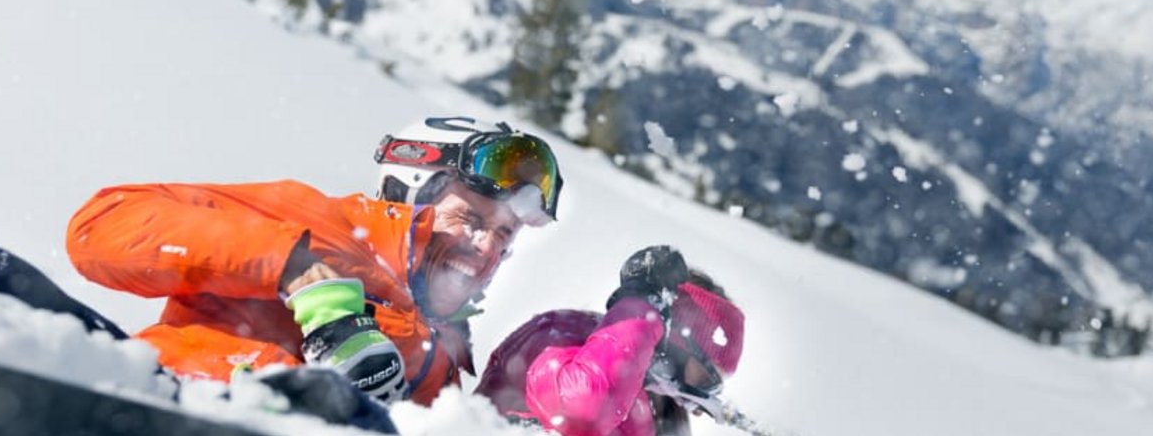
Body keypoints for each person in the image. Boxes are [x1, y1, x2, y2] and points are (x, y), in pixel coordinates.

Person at [65, 116, 564, 407]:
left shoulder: (443, 352)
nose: (485, 250)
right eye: (471, 220)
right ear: (412, 195)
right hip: (167, 405)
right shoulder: (322, 224)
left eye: (503, 235)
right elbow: (102, 226)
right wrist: (301, 274)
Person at [475, 246, 746, 436]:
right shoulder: (563, 336)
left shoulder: (657, 409)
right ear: (676, 345)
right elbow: (585, 410)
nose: (701, 403)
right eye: (707, 380)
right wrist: (643, 311)